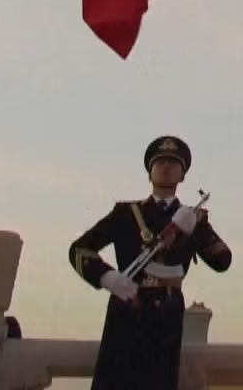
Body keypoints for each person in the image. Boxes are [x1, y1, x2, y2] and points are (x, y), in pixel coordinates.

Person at [67, 135, 233, 389]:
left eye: (173, 163)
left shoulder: (192, 217)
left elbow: (222, 261)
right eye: (159, 162)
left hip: (166, 317)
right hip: (127, 309)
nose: (166, 167)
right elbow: (79, 249)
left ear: (182, 174)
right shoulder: (126, 213)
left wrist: (196, 230)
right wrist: (107, 277)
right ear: (150, 172)